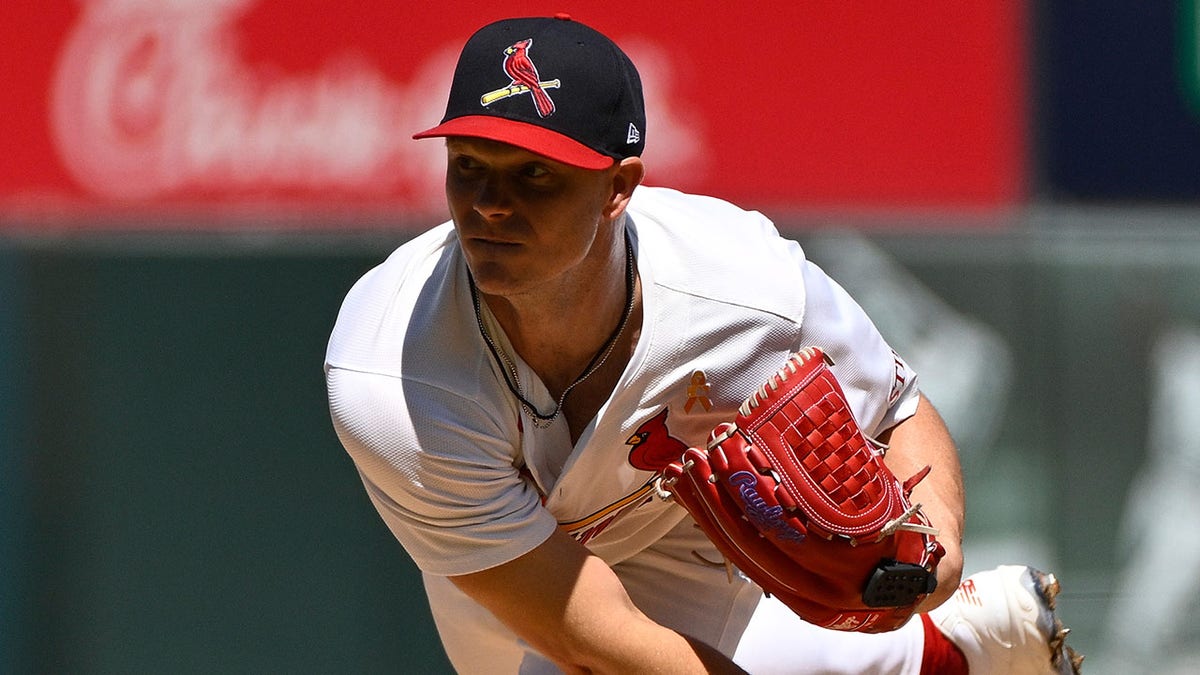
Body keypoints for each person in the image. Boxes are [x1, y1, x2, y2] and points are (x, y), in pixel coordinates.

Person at [325, 14, 1079, 674]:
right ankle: (947, 655)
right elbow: (594, 635)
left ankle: (935, 640)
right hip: (505, 582)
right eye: (469, 167)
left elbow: (898, 409)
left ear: (619, 187)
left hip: (686, 527)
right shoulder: (391, 376)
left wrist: (937, 552)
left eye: (534, 175)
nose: (490, 205)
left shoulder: (745, 286)